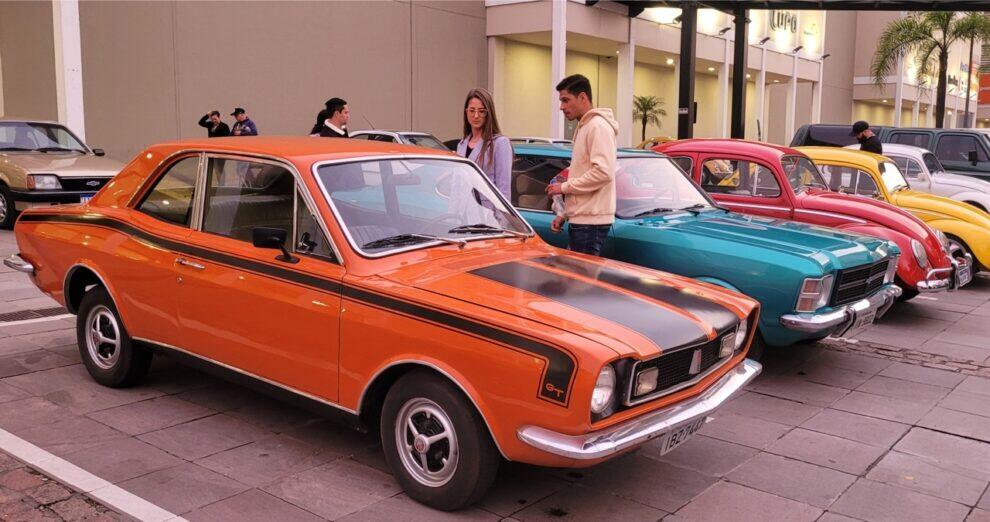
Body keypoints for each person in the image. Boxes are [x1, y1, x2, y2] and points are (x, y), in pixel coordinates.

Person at [545, 74, 618, 256]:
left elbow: (603, 173)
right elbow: (585, 172)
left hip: (590, 223)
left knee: (581, 281)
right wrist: (564, 214)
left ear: (583, 97)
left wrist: (563, 187)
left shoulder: (597, 126)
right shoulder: (587, 126)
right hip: (585, 220)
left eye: (566, 100)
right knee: (580, 279)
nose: (562, 107)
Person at [455, 88, 512, 199]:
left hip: (486, 212)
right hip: (461, 213)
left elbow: (504, 188)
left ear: (489, 113)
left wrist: (499, 216)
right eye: (472, 111)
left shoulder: (500, 143)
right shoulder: (461, 145)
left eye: (481, 111)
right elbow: (456, 187)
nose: (476, 116)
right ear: (466, 112)